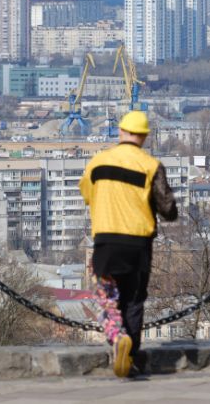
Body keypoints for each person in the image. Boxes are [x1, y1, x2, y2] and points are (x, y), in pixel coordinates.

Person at [79, 110, 178, 378]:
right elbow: (168, 208)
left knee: (106, 299)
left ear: (120, 131)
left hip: (106, 242)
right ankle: (130, 357)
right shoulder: (151, 165)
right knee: (134, 301)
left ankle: (117, 337)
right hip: (138, 244)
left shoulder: (98, 162)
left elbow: (87, 193)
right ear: (144, 137)